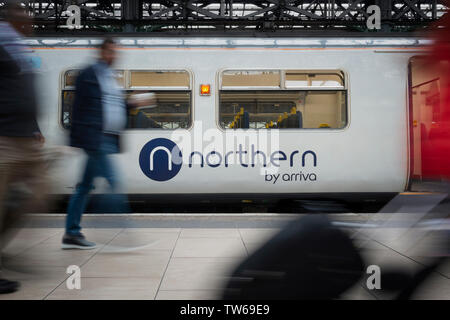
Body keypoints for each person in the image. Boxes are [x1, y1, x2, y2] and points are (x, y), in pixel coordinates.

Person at [63, 37, 153, 249]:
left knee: (84, 187)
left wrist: (132, 103)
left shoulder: (110, 78)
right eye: (111, 52)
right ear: (102, 52)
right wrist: (77, 138)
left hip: (108, 139)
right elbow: (77, 107)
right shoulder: (89, 74)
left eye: (116, 52)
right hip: (96, 138)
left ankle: (71, 233)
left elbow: (113, 106)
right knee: (114, 182)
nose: (114, 56)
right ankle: (119, 237)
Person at [0, 2, 48, 294]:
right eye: (26, 17)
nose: (31, 22)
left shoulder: (19, 46)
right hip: (4, 137)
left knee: (37, 192)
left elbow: (22, 91)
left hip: (23, 136)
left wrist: (34, 126)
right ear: (13, 18)